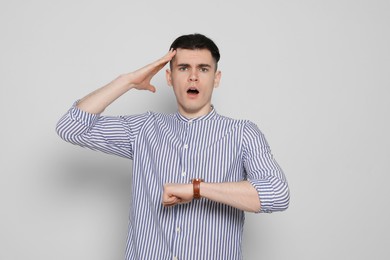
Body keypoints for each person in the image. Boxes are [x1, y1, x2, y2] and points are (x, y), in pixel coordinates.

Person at [56, 33, 289, 260]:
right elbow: (71, 127)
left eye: (204, 69)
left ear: (216, 78)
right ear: (169, 77)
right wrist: (126, 81)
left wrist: (197, 189)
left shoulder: (242, 133)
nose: (193, 77)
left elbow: (277, 194)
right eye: (184, 68)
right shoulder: (143, 128)